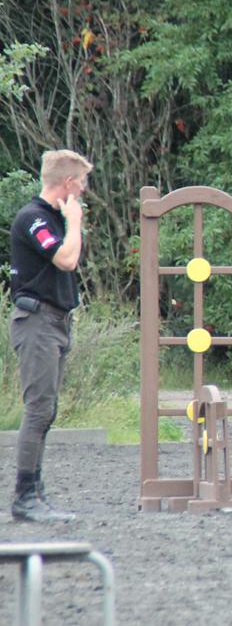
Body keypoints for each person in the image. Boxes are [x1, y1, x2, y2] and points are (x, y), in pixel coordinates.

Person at [8, 149, 92, 522]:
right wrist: (74, 222)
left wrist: (70, 222)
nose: (84, 190)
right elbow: (67, 260)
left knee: (48, 409)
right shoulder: (34, 218)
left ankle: (36, 492)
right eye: (82, 182)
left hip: (56, 322)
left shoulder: (55, 219)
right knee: (38, 408)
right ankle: (24, 496)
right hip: (37, 322)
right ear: (68, 182)